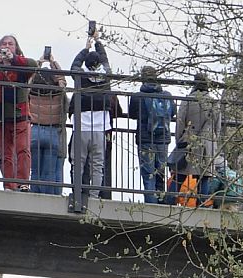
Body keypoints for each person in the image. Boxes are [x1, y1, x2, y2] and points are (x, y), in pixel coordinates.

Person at [0, 35, 37, 191]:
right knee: (5, 155)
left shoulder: (21, 67)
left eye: (11, 44)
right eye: (4, 44)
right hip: (0, 117)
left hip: (20, 115)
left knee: (23, 150)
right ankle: (9, 185)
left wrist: (14, 59)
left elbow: (34, 65)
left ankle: (23, 183)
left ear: (16, 48)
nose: (7, 46)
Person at [69, 48, 124, 198]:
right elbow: (106, 61)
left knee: (77, 164)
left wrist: (86, 48)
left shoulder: (80, 77)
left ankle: (78, 193)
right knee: (97, 166)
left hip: (81, 128)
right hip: (100, 129)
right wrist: (99, 43)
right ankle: (94, 195)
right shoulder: (105, 76)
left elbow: (74, 66)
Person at [175, 71, 222, 204]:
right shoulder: (214, 103)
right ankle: (201, 206)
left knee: (179, 174)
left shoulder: (187, 101)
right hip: (208, 144)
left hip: (189, 142)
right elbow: (217, 127)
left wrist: (179, 141)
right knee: (204, 176)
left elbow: (180, 122)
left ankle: (169, 202)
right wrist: (212, 141)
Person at [133, 66, 175, 204]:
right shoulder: (167, 96)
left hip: (145, 139)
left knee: (148, 174)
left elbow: (133, 114)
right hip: (163, 140)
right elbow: (172, 113)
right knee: (160, 173)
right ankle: (161, 203)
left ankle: (151, 205)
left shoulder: (138, 97)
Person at [27, 52, 67, 194]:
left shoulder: (31, 91)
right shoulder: (58, 92)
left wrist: (38, 63)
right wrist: (53, 63)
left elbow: (28, 80)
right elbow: (62, 81)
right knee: (49, 173)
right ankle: (49, 198)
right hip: (53, 131)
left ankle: (34, 196)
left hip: (35, 130)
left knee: (35, 171)